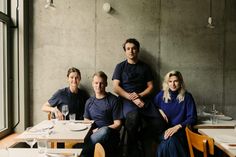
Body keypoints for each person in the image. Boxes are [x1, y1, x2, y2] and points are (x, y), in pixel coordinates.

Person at [112, 38, 167, 157]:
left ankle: (139, 137)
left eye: (133, 48)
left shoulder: (145, 67)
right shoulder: (120, 67)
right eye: (128, 49)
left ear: (137, 50)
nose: (131, 51)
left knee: (160, 124)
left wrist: (140, 95)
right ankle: (132, 149)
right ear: (125, 51)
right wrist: (131, 97)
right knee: (133, 117)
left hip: (144, 99)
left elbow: (151, 86)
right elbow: (115, 87)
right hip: (127, 101)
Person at [154, 70, 197, 157]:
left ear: (180, 82)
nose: (173, 84)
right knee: (170, 140)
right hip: (164, 132)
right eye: (170, 81)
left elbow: (192, 118)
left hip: (180, 132)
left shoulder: (187, 97)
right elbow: (151, 107)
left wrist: (178, 126)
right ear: (167, 83)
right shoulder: (161, 95)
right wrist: (159, 110)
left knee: (168, 143)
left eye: (176, 81)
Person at [80, 71, 123, 157]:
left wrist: (100, 129)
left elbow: (118, 124)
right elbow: (86, 121)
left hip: (109, 136)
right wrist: (91, 131)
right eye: (96, 83)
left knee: (104, 131)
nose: (98, 86)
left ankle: (81, 150)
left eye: (101, 83)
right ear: (92, 84)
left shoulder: (113, 100)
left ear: (106, 84)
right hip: (93, 135)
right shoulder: (89, 102)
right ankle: (83, 151)